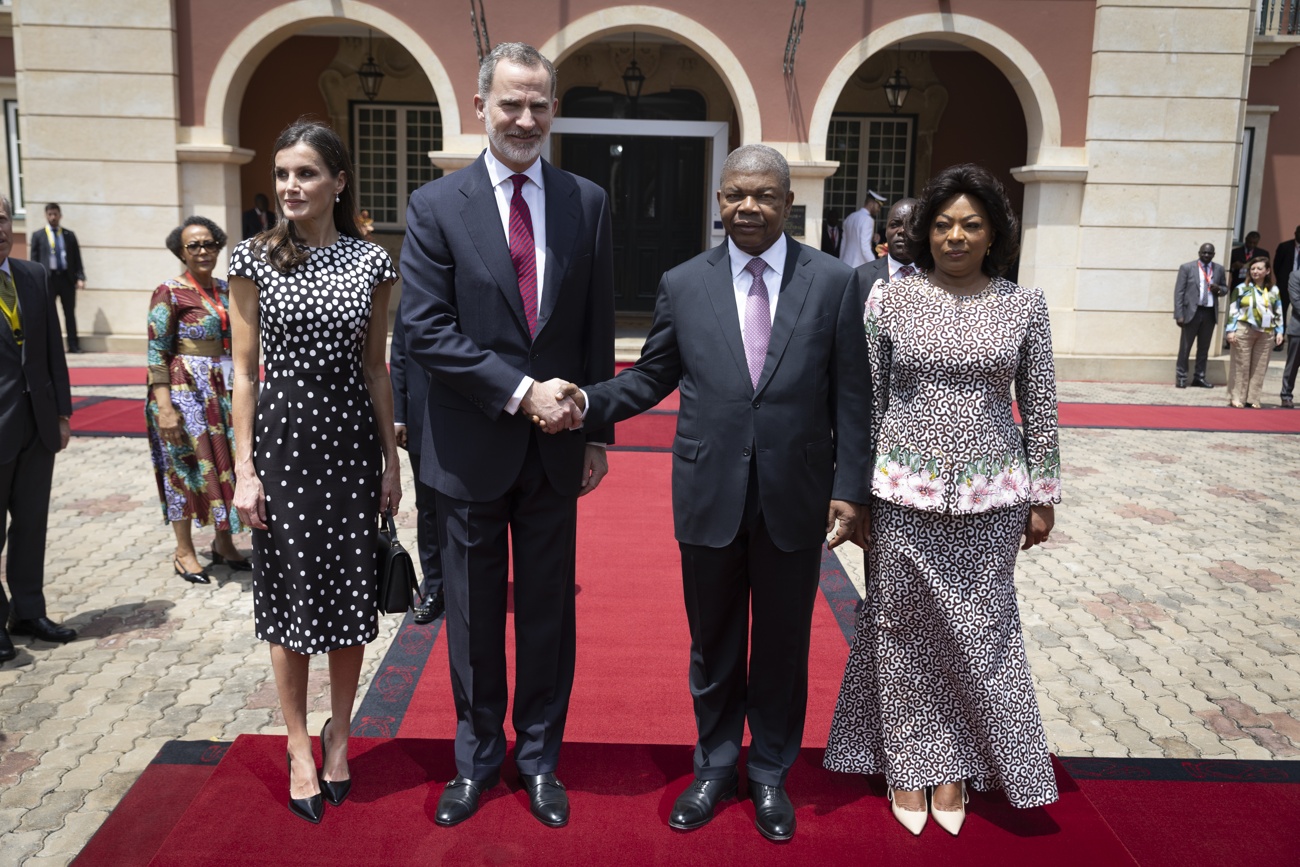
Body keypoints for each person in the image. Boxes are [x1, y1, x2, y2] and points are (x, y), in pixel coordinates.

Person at [547, 144, 871, 842]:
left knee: (783, 643)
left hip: (796, 491)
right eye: (733, 195)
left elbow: (852, 394)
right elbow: (650, 375)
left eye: (762, 195)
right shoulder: (684, 281)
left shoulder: (836, 281)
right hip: (708, 488)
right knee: (713, 642)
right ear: (718, 202)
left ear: (787, 203)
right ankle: (716, 763)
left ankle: (770, 772)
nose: (746, 207)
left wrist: (850, 489)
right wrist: (585, 401)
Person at [399, 42, 615, 830]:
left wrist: (598, 431)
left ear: (554, 110)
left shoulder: (586, 199)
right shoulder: (435, 206)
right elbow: (424, 329)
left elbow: (594, 324)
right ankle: (476, 757)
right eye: (511, 104)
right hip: (470, 448)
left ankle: (539, 759)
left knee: (550, 615)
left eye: (540, 105)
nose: (525, 119)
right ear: (480, 105)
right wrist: (521, 392)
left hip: (559, 450)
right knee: (473, 616)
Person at [824, 163, 1061, 837]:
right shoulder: (889, 302)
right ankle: (907, 762)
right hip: (900, 494)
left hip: (993, 500)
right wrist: (854, 495)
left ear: (994, 234)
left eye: (972, 224)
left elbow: (1039, 407)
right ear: (927, 232)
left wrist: (1044, 497)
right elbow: (864, 402)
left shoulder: (1024, 306)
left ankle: (954, 764)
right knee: (899, 629)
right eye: (943, 224)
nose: (955, 236)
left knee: (980, 634)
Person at [228, 120, 400, 824]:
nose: (291, 186)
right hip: (284, 441)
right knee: (291, 597)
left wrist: (392, 460)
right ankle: (298, 741)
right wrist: (244, 469)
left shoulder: (371, 264)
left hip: (352, 443)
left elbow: (376, 366)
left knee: (351, 595)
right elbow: (242, 374)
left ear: (338, 181)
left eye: (305, 173)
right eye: (283, 174)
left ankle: (341, 732)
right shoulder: (251, 259)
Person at [146, 216, 249, 584]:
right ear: (181, 252)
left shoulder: (226, 290)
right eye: (194, 246)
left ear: (219, 246)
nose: (203, 251)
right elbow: (157, 351)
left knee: (224, 466)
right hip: (184, 392)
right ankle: (184, 550)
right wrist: (165, 408)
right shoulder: (169, 292)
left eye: (209, 244)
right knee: (184, 470)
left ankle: (224, 542)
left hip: (222, 392)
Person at [0, 193, 77, 662]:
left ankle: (28, 610)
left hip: (36, 425)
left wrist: (63, 413)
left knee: (31, 525)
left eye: (3, 217)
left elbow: (52, 350)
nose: (0, 228)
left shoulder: (32, 274)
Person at [388, 313, 443, 623]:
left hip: (472, 420)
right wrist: (399, 415)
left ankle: (471, 580)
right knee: (429, 508)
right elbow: (399, 354)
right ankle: (435, 586)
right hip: (423, 419)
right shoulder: (419, 281)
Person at [1225, 255, 1283, 409]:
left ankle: (1253, 398)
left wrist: (1279, 331)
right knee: (1240, 365)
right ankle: (1237, 397)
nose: (1255, 271)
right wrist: (1230, 330)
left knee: (1260, 366)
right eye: (1252, 268)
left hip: (1266, 332)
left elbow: (1277, 312)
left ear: (1268, 271)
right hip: (1244, 329)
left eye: (1259, 268)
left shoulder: (1274, 290)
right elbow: (1233, 311)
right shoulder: (1240, 288)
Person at [28, 203, 85, 353]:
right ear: (46, 216)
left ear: (60, 215)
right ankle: (50, 346)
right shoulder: (38, 235)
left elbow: (77, 258)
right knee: (47, 314)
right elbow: (34, 260)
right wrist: (34, 280)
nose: (53, 217)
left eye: (55, 214)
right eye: (50, 214)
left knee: (69, 314)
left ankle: (73, 345)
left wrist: (80, 277)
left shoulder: (69, 235)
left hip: (66, 278)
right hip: (48, 279)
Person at [1173, 243, 1227, 388]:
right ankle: (1182, 377)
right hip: (1191, 313)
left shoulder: (1219, 269)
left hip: (1209, 313)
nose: (1206, 256)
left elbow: (1225, 288)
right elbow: (1179, 292)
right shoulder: (1187, 268)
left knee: (1204, 348)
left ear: (1213, 255)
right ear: (1199, 253)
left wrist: (1219, 290)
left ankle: (1200, 377)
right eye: (1204, 253)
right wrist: (1179, 314)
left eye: (1209, 253)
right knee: (1185, 347)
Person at [857, 197, 919, 289]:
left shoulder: (941, 277)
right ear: (886, 231)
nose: (902, 230)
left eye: (911, 225)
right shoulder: (860, 277)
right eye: (894, 225)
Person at [838, 190, 886, 268]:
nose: (879, 210)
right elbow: (865, 247)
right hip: (858, 266)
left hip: (845, 263)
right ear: (871, 204)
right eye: (878, 206)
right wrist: (875, 265)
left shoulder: (850, 217)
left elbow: (843, 243)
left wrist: (841, 261)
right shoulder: (868, 220)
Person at [1275, 225, 1300, 346]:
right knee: (1281, 311)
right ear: (1295, 233)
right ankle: (1279, 340)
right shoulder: (1284, 247)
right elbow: (1276, 265)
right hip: (1285, 284)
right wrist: (1282, 280)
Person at [1281, 269, 1300, 409]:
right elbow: (1296, 300)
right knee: (1293, 364)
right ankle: (1286, 395)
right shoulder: (1295, 275)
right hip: (1298, 329)